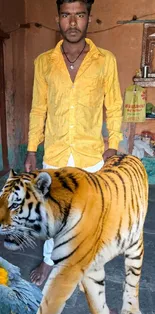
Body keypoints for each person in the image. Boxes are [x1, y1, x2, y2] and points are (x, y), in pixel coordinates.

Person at [25, 0, 123, 288]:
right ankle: (48, 260)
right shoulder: (44, 62)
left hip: (90, 154)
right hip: (55, 153)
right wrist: (32, 148)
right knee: (53, 212)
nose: (72, 23)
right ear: (58, 18)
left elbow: (114, 107)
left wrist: (113, 145)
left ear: (88, 19)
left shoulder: (105, 60)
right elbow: (38, 109)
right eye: (66, 15)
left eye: (79, 15)